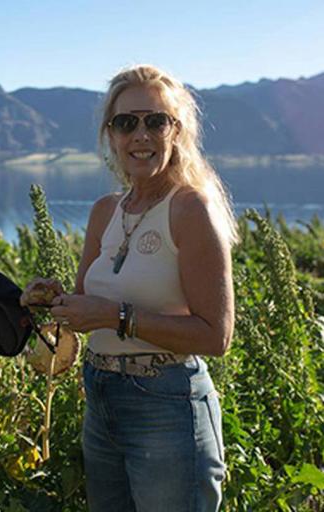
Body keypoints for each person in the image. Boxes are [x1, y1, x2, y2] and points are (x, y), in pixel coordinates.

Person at [24, 65, 237, 511]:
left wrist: (115, 316)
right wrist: (54, 299)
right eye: (126, 122)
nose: (140, 134)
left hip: (167, 404)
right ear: (111, 135)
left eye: (155, 121)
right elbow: (86, 306)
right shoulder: (105, 211)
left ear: (176, 132)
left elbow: (215, 337)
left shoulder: (190, 208)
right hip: (100, 397)